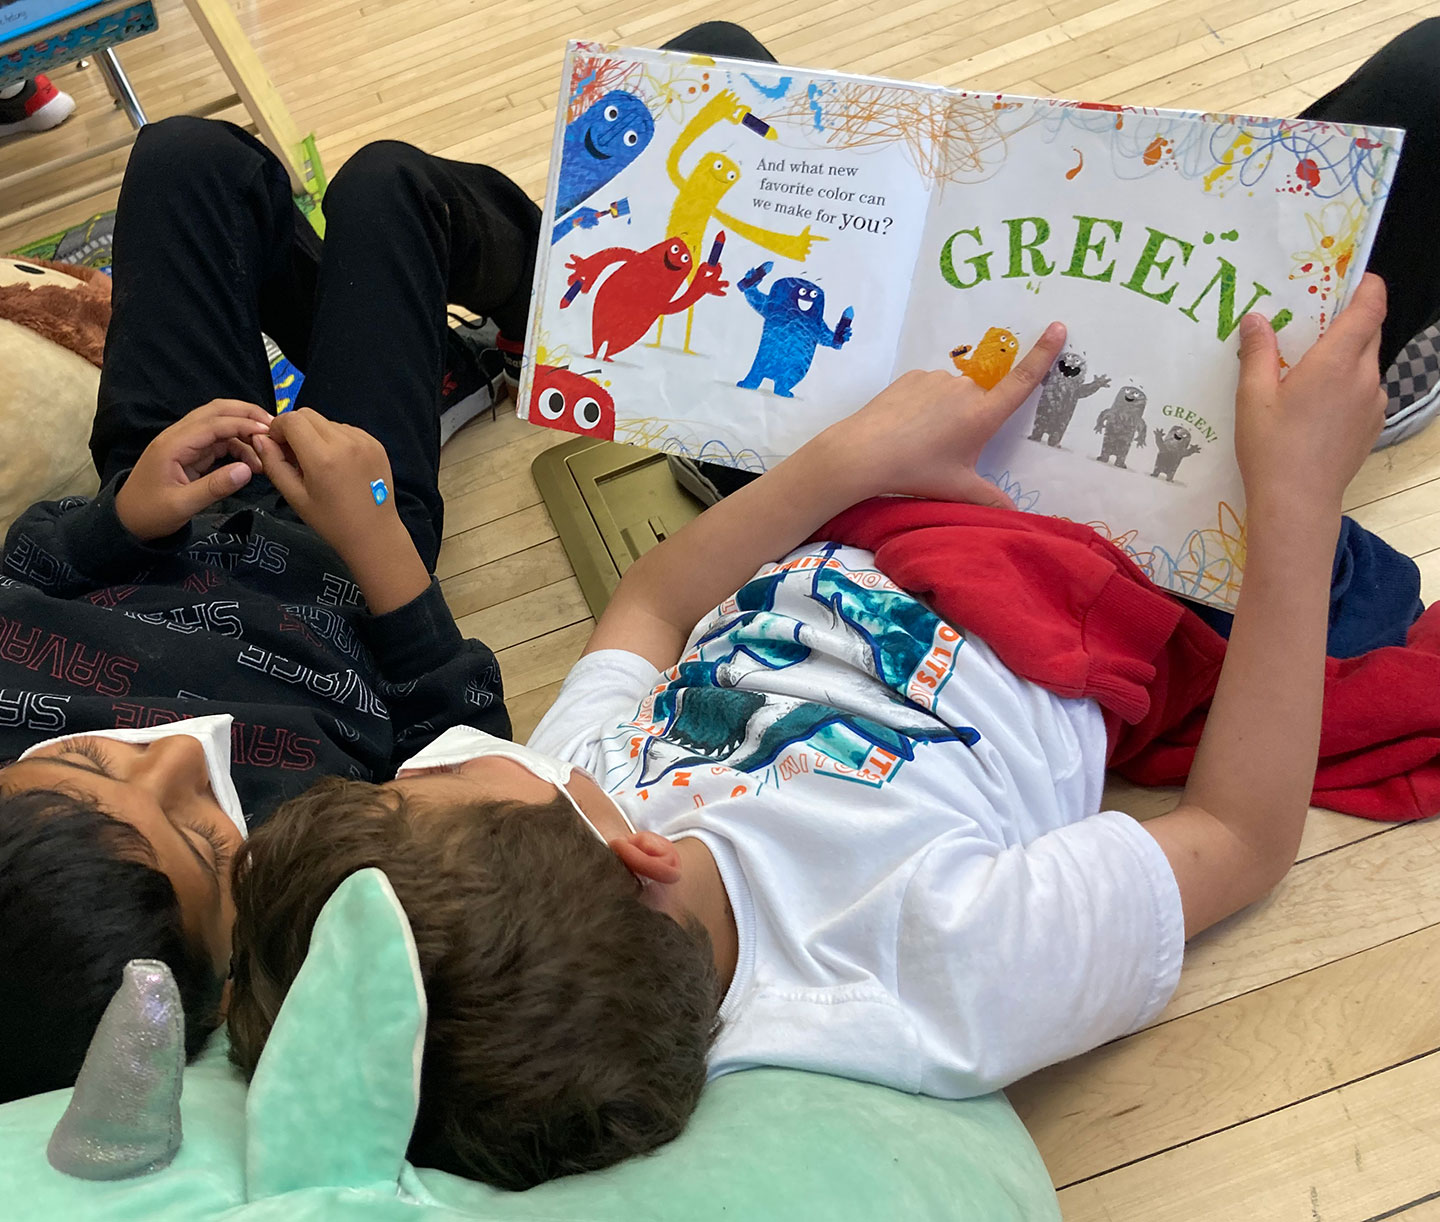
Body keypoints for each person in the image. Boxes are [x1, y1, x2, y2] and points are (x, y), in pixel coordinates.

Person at [223, 18, 1426, 1193]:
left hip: (858, 494)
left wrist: (848, 458)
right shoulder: (943, 970)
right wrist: (1297, 496)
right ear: (639, 856)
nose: (436, 753)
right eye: (436, 777)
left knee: (712, 76)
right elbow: (1240, 838)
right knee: (1414, 99)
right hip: (1101, 554)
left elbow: (648, 602)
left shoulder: (552, 880)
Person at [0, 114, 541, 1129]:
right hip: (349, 548)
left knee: (190, 157)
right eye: (200, 834)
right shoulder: (311, 875)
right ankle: (528, 318)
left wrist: (115, 519)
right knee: (390, 189)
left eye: (82, 760)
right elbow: (474, 749)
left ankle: (453, 344)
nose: (173, 757)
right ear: (229, 979)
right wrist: (381, 535)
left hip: (159, 496)